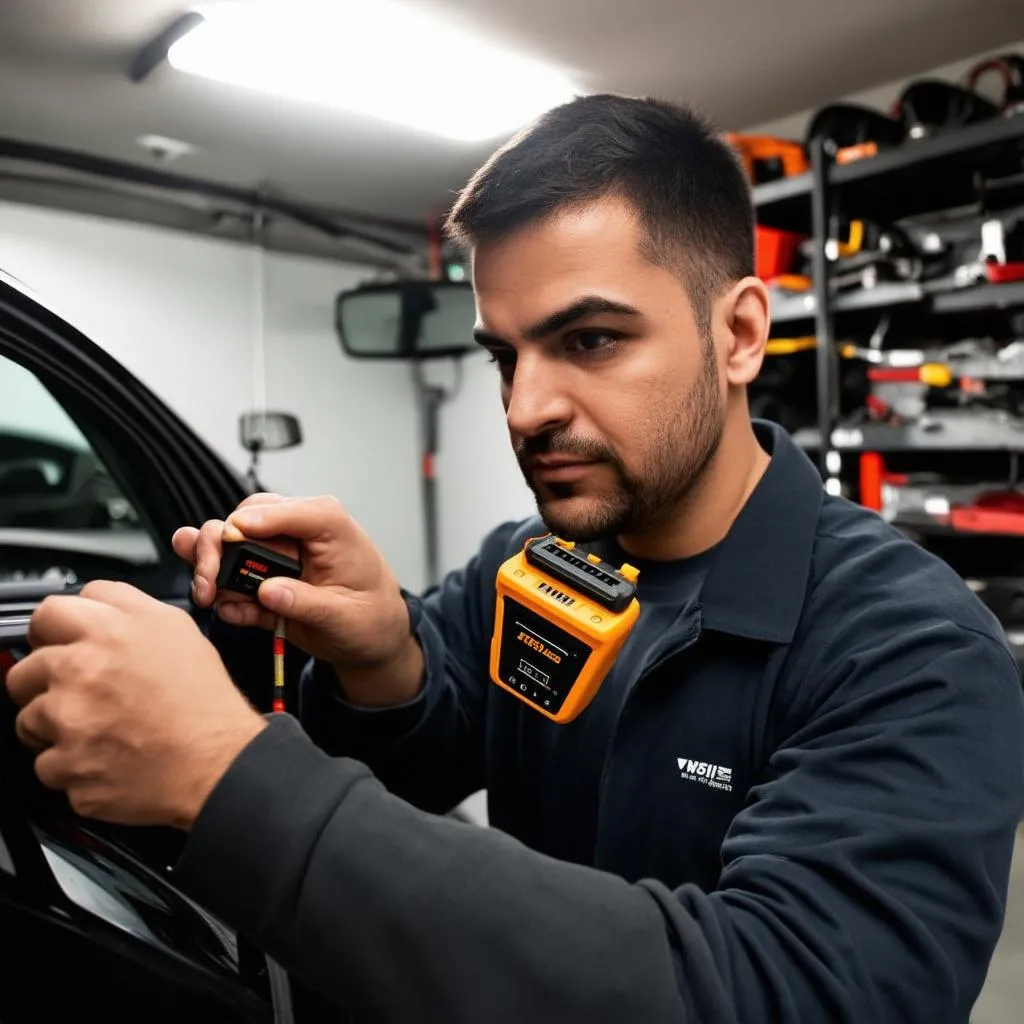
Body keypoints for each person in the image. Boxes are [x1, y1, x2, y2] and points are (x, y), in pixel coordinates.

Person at [6, 94, 1024, 1023]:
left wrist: (224, 777)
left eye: (588, 340)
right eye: (505, 354)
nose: (525, 407)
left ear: (741, 335)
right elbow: (431, 748)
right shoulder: (525, 567)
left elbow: (771, 989)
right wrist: (384, 654)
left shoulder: (914, 651)